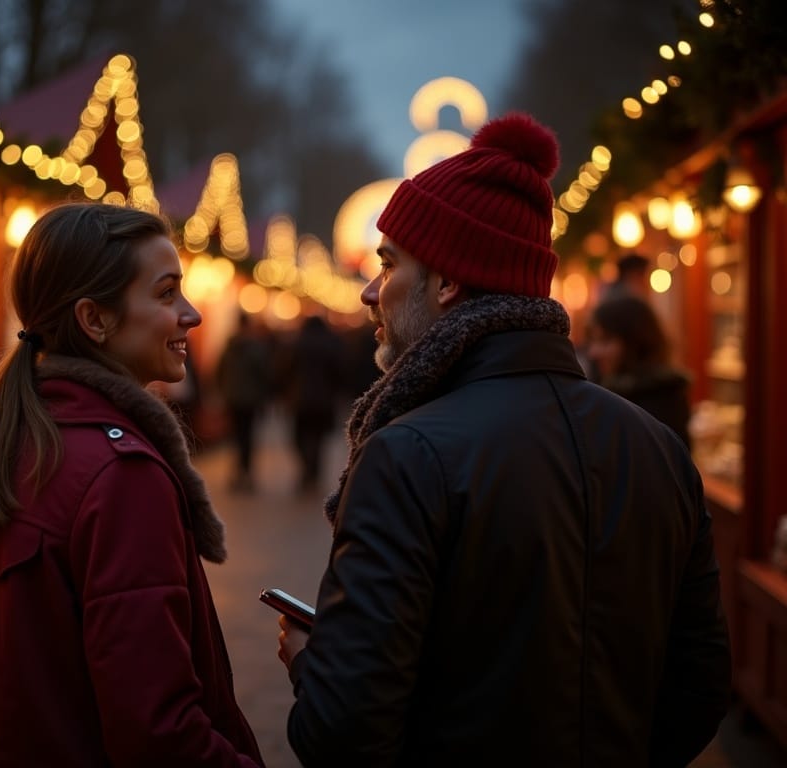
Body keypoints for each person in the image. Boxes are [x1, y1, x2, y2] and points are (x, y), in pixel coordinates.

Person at [274, 113, 730, 766]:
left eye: (389, 263)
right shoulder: (656, 446)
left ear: (448, 281)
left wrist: (311, 663)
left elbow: (344, 733)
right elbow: (700, 688)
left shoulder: (406, 454)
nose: (372, 292)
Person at [0, 202, 264, 767]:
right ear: (94, 319)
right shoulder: (120, 476)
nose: (192, 315)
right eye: (167, 292)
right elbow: (158, 733)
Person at [587, 293, 692, 447]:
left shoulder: (659, 400)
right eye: (593, 340)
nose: (594, 352)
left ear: (636, 343)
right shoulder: (603, 392)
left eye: (606, 340)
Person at [286, 314, 345, 494]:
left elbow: (285, 369)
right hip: (324, 400)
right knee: (318, 439)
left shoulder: (297, 343)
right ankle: (313, 471)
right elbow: (340, 371)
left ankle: (306, 466)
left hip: (300, 398)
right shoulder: (331, 344)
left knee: (299, 437)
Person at [216, 311, 271, 492]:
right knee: (248, 437)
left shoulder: (230, 346)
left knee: (237, 437)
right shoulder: (256, 348)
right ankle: (245, 472)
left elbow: (219, 371)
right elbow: (264, 374)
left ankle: (239, 472)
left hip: (233, 398)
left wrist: (221, 391)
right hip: (250, 400)